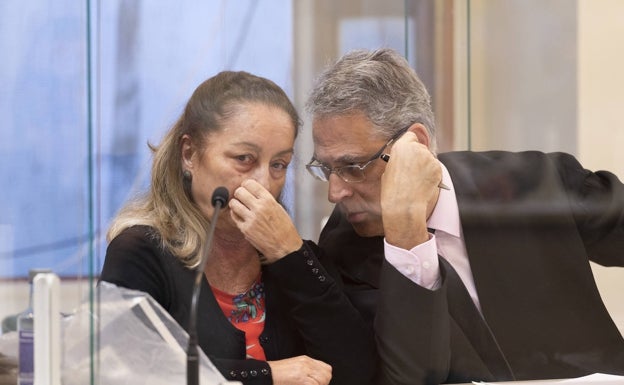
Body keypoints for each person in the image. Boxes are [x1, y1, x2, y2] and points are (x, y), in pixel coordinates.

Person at [304, 48, 624, 385]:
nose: (335, 193)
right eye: (326, 169)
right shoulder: (343, 246)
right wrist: (406, 235)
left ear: (416, 144)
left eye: (353, 166)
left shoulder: (536, 183)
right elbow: (408, 377)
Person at [100, 71, 375, 385]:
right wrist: (268, 375)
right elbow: (122, 371)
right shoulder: (141, 252)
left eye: (278, 164)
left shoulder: (299, 260)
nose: (263, 184)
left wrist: (290, 255)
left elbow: (358, 372)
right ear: (189, 154)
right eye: (244, 159)